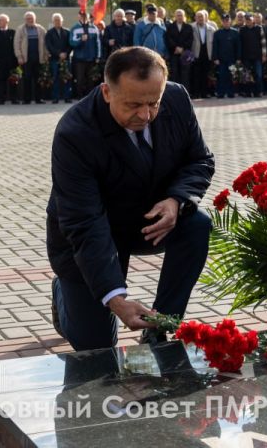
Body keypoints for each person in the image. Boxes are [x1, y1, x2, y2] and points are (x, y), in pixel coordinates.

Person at [47, 47, 214, 351]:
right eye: (133, 105)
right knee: (96, 347)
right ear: (106, 92)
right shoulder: (75, 132)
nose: (145, 115)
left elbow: (199, 160)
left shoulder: (177, 98)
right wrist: (116, 298)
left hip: (148, 221)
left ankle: (160, 325)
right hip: (93, 232)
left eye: (153, 103)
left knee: (197, 224)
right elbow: (85, 222)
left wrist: (176, 199)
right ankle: (63, 294)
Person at [13, 11, 48, 104]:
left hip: (38, 58)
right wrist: (19, 56)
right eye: (28, 18)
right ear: (25, 19)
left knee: (38, 79)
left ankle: (38, 99)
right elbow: (16, 44)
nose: (30, 20)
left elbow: (45, 44)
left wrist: (46, 55)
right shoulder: (20, 29)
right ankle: (27, 99)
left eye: (31, 18)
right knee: (27, 79)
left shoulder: (41, 29)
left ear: (35, 19)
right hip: (26, 58)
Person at [70, 10, 103, 99]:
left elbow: (98, 43)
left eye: (85, 15)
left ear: (88, 17)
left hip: (91, 58)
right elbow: (72, 42)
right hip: (79, 59)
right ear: (78, 16)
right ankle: (80, 97)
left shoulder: (94, 28)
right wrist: (81, 40)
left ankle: (89, 98)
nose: (83, 17)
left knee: (91, 80)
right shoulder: (74, 28)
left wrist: (98, 56)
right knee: (80, 79)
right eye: (81, 15)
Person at [0, 14, 17, 105]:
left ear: (6, 22)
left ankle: (14, 99)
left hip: (12, 62)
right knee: (1, 81)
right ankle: (1, 99)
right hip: (0, 62)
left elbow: (16, 47)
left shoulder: (13, 33)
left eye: (1, 20)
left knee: (13, 80)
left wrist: (17, 60)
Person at [45, 14, 73, 104]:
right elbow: (49, 46)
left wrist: (66, 53)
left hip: (66, 58)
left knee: (67, 78)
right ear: (53, 22)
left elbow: (70, 44)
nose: (57, 22)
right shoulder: (49, 33)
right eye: (56, 20)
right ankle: (55, 97)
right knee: (55, 78)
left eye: (59, 20)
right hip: (54, 59)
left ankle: (67, 97)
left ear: (62, 21)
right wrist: (58, 54)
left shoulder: (67, 32)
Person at [212, 14, 240, 98]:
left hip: (232, 59)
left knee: (231, 76)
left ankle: (231, 93)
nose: (226, 22)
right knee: (221, 76)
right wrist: (215, 58)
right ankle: (221, 93)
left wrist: (238, 58)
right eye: (224, 21)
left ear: (230, 21)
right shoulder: (217, 33)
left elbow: (238, 47)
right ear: (222, 22)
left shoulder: (235, 33)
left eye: (227, 20)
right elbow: (215, 46)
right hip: (221, 59)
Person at [165, 9, 194, 91]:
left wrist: (182, 48)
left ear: (184, 16)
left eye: (181, 15)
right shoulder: (170, 27)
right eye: (178, 15)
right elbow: (168, 39)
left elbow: (190, 39)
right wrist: (175, 47)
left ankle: (185, 91)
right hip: (173, 53)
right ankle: (175, 92)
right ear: (175, 16)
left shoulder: (188, 27)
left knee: (185, 74)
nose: (179, 17)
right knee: (174, 73)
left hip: (186, 53)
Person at [190, 10, 216, 99]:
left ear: (205, 18)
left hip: (207, 54)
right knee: (196, 74)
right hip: (196, 53)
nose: (200, 18)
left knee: (205, 74)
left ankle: (204, 93)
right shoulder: (191, 27)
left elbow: (214, 43)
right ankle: (196, 93)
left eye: (202, 17)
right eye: (198, 17)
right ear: (195, 18)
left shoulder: (211, 29)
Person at [239, 12, 265, 98]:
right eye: (246, 20)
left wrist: (264, 55)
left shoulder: (259, 28)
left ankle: (258, 92)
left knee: (258, 74)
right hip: (246, 56)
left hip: (257, 56)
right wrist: (239, 57)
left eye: (249, 19)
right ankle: (248, 92)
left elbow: (263, 43)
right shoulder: (242, 30)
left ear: (253, 19)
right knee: (247, 76)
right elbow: (240, 44)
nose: (248, 21)